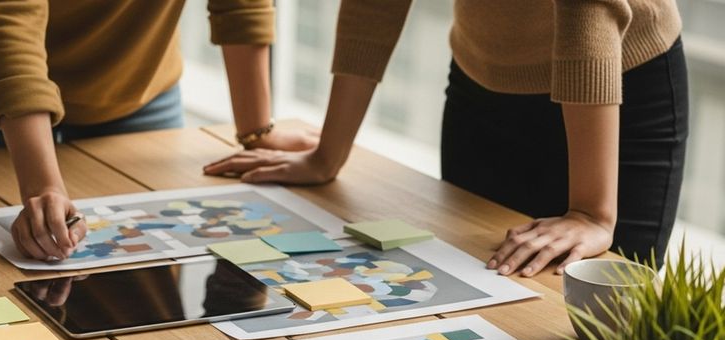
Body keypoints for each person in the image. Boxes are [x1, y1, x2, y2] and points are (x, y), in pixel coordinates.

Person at [205, 0, 687, 276]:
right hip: (484, 77)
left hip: (615, 82)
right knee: (478, 287)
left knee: (596, 338)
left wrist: (592, 213)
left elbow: (588, 8)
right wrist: (329, 154)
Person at [0, 0, 318, 261]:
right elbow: (7, 23)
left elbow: (240, 5)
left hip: (135, 80)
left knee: (148, 264)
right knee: (0, 263)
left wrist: (256, 131)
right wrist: (42, 187)